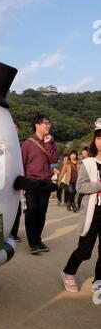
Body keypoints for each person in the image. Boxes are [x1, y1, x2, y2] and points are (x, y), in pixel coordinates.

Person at [61, 119, 101, 304]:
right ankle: (68, 272)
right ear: (95, 141)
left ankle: (98, 281)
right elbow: (80, 186)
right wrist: (99, 185)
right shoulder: (89, 163)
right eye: (99, 137)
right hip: (93, 212)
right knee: (85, 250)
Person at [21, 113, 58, 254]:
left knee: (42, 213)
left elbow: (54, 159)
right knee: (31, 212)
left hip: (45, 182)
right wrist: (22, 185)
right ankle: (33, 243)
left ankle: (38, 239)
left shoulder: (51, 143)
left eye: (49, 123)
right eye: (45, 123)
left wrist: (48, 144)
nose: (48, 125)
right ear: (37, 125)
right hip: (31, 182)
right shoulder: (27, 143)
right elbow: (22, 164)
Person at [10, 121, 22, 242]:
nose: (14, 129)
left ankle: (13, 233)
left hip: (17, 182)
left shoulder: (21, 145)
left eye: (16, 128)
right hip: (3, 182)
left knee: (17, 210)